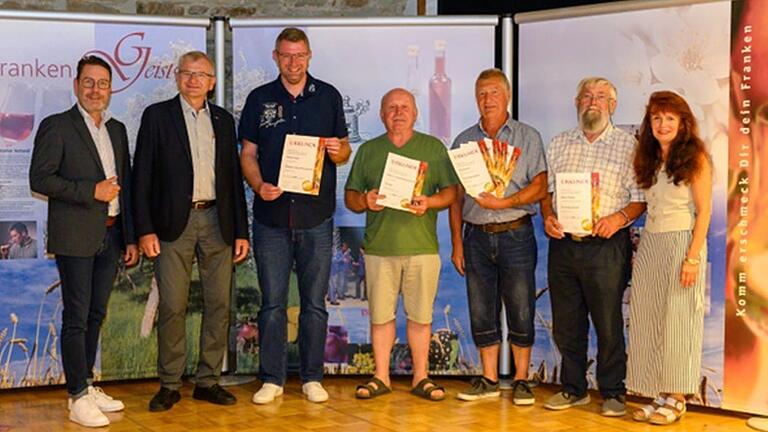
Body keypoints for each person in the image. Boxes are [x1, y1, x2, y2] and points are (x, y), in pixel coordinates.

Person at [238, 27, 350, 404]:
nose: (293, 62)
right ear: (275, 57)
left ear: (309, 56)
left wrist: (338, 151)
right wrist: (257, 186)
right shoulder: (259, 99)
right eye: (286, 55)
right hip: (270, 216)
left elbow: (344, 151)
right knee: (271, 303)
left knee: (314, 304)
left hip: (316, 217)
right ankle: (271, 378)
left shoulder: (329, 96)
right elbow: (247, 155)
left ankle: (311, 377)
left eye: (299, 55)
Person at [133, 51, 249, 412]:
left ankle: (208, 381)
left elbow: (233, 180)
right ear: (177, 77)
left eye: (202, 74)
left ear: (212, 82)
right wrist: (145, 229)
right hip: (172, 224)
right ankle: (169, 383)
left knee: (219, 304)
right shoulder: (157, 117)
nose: (194, 80)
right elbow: (142, 178)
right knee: (172, 305)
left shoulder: (224, 121)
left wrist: (241, 232)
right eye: (188, 73)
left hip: (218, 222)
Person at [29, 55, 139, 428]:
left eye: (102, 83)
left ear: (111, 89)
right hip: (75, 235)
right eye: (88, 82)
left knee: (96, 313)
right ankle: (76, 396)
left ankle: (87, 384)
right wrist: (89, 191)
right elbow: (40, 179)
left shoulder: (118, 129)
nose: (95, 90)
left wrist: (129, 237)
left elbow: (126, 185)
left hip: (111, 234)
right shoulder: (57, 126)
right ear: (76, 85)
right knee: (76, 317)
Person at [541, 77, 645, 416]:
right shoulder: (558, 143)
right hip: (564, 245)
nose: (593, 102)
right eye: (587, 96)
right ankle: (574, 389)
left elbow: (640, 200)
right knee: (567, 322)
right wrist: (547, 217)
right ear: (577, 103)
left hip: (606, 245)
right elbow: (548, 194)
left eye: (601, 97)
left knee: (608, 321)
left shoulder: (629, 146)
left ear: (613, 106)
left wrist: (617, 219)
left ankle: (613, 391)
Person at [345, 88, 457, 401]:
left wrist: (430, 202)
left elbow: (450, 193)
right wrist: (365, 200)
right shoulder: (368, 150)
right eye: (391, 107)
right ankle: (381, 377)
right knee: (381, 317)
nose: (398, 112)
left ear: (415, 112)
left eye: (404, 107)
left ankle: (421, 377)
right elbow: (350, 198)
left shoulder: (433, 148)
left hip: (422, 248)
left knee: (421, 317)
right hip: (380, 248)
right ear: (382, 115)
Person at [448, 69, 547, 404]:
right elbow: (455, 198)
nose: (487, 99)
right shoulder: (463, 141)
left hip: (515, 232)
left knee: (521, 307)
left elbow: (540, 186)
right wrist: (457, 244)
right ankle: (489, 378)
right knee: (481, 309)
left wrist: (507, 201)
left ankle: (521, 379)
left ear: (507, 96)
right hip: (475, 236)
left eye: (493, 92)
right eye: (481, 93)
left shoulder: (528, 136)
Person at [627, 91, 712, 425]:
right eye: (656, 118)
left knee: (679, 321)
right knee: (648, 319)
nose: (663, 125)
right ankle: (657, 392)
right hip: (651, 242)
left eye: (670, 119)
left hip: (682, 243)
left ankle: (677, 398)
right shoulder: (648, 159)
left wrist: (692, 259)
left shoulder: (696, 158)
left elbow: (704, 213)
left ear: (682, 123)